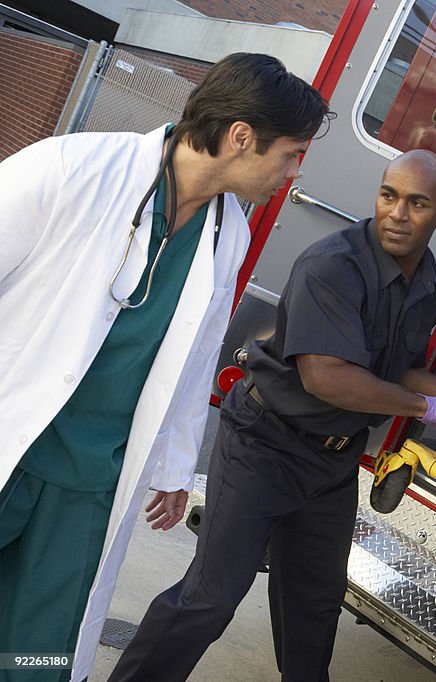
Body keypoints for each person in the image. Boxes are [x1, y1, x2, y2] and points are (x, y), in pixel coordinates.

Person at [0, 53, 329, 682]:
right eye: (290, 154)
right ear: (240, 138)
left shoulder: (226, 232)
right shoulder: (74, 167)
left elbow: (195, 356)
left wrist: (177, 466)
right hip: (13, 437)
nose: (291, 174)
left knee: (36, 651)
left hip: (91, 481)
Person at [109, 149, 436, 682]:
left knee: (314, 604)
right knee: (212, 596)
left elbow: (401, 366)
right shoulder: (333, 265)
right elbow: (326, 375)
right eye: (389, 195)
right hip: (266, 445)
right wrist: (423, 407)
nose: (397, 213)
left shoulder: (428, 282)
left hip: (333, 463)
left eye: (417, 203)